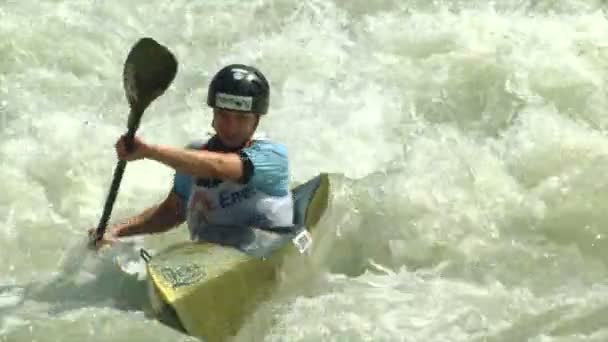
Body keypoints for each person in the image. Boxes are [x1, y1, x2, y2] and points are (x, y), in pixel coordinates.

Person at [91, 64, 293, 249]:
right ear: (213, 115)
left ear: (256, 120)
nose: (231, 127)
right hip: (210, 262)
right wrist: (117, 230)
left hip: (264, 251)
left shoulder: (272, 156)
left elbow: (220, 166)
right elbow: (171, 212)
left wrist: (150, 151)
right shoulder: (195, 156)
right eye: (223, 115)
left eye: (241, 118)